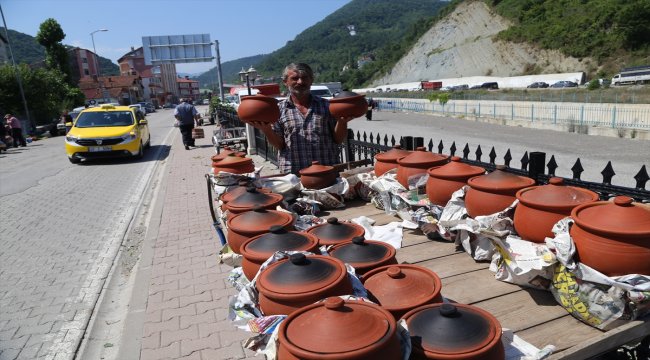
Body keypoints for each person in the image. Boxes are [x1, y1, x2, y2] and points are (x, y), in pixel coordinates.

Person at [249, 63, 354, 174]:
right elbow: (280, 145)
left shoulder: (327, 106)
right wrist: (266, 130)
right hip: (293, 172)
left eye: (305, 78)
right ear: (285, 82)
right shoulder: (278, 110)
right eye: (295, 78)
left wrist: (342, 122)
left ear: (311, 80)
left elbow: (338, 140)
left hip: (326, 170)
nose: (300, 82)